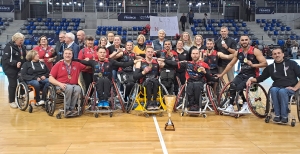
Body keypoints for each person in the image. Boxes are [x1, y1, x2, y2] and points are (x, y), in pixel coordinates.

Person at [246, 48, 300, 123]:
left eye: (278, 53)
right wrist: (251, 79)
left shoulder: (292, 63)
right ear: (272, 56)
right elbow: (261, 78)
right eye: (275, 54)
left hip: (290, 88)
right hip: (277, 88)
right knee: (273, 90)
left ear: (283, 54)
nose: (277, 55)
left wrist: (295, 88)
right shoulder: (270, 67)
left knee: (282, 91)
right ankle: (277, 115)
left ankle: (284, 116)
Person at [218, 35, 267, 113]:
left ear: (249, 41)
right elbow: (230, 64)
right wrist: (222, 74)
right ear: (240, 42)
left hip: (252, 75)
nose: (244, 41)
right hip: (242, 74)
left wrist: (253, 65)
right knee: (233, 85)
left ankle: (246, 104)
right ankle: (231, 106)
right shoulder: (238, 52)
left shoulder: (255, 51)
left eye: (246, 40)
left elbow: (265, 63)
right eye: (242, 40)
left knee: (239, 87)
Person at [49, 48, 87, 116]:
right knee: (69, 87)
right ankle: (66, 109)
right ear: (63, 55)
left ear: (72, 55)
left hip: (73, 85)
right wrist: (59, 84)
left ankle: (72, 109)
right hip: (60, 86)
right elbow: (50, 78)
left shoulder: (77, 64)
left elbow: (88, 67)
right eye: (66, 53)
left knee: (78, 88)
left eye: (69, 54)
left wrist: (89, 61)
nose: (67, 55)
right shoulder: (58, 64)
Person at [2, 32, 26, 108]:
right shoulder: (8, 47)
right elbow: (5, 59)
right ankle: (12, 101)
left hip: (19, 68)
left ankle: (21, 98)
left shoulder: (22, 47)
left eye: (22, 40)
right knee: (13, 85)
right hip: (10, 68)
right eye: (20, 40)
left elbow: (24, 57)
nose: (22, 42)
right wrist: (15, 63)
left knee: (23, 82)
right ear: (15, 40)